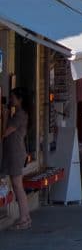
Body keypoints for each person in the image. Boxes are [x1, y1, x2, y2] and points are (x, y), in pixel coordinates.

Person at [2, 88, 32, 229]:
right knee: (17, 185)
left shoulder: (19, 115)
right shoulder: (21, 114)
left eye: (13, 97)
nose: (11, 100)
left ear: (19, 99)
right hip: (15, 152)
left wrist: (5, 116)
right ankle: (25, 217)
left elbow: (5, 132)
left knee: (18, 185)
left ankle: (24, 218)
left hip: (15, 153)